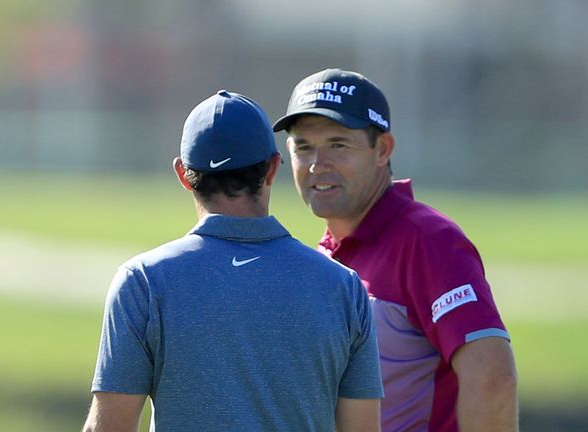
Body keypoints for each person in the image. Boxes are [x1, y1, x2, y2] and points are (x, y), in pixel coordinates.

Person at [83, 89, 383, 431]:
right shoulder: (343, 287)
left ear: (183, 174)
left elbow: (108, 426)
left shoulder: (143, 282)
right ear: (272, 169)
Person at [273, 68, 518, 432]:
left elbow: (492, 377)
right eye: (303, 147)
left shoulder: (428, 240)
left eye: (338, 145)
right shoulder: (325, 256)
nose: (316, 165)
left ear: (382, 150)